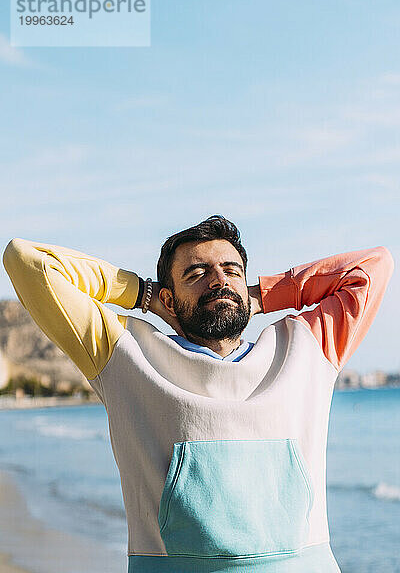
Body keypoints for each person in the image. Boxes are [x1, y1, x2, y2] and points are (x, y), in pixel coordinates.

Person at [2, 215, 394, 573]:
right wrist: (143, 295)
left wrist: (265, 295)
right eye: (197, 273)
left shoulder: (306, 345)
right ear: (169, 299)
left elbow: (373, 266)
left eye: (231, 271)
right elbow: (27, 261)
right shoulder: (125, 352)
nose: (218, 280)